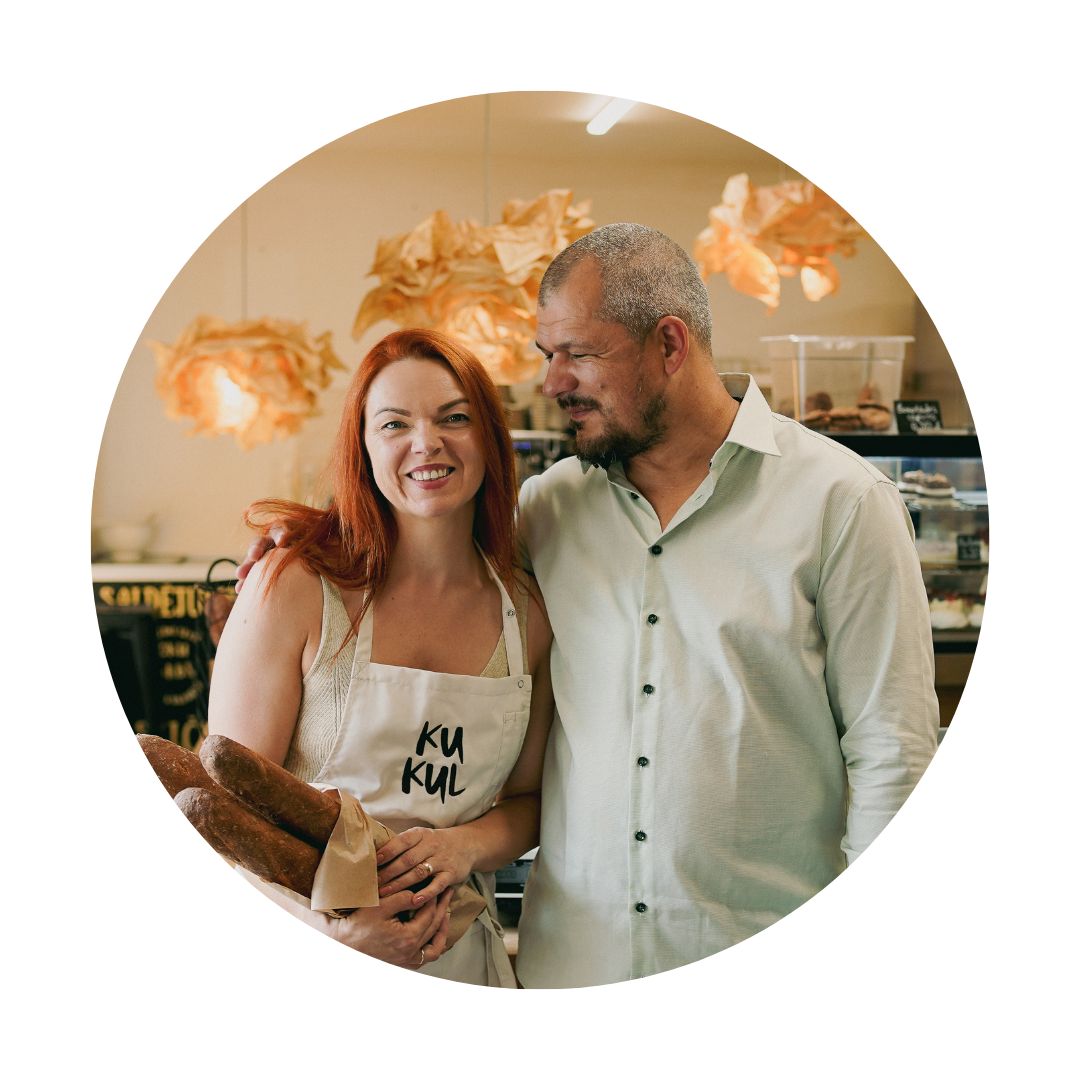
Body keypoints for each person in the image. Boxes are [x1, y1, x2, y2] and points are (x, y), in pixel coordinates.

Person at [239, 225, 939, 989]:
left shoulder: (842, 504)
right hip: (574, 962)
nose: (553, 383)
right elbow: (420, 524)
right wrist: (299, 543)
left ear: (669, 344)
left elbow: (893, 756)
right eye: (547, 355)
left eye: (577, 353)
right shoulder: (549, 511)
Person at [214, 327, 554, 988]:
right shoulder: (296, 587)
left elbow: (528, 800)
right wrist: (336, 932)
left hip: (461, 959)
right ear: (363, 447)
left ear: (489, 436)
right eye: (394, 424)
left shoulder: (529, 614)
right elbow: (228, 814)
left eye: (454, 418)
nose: (426, 443)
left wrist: (462, 845)